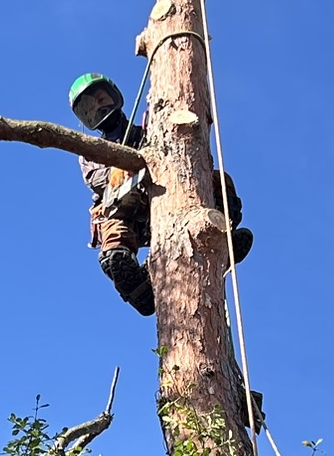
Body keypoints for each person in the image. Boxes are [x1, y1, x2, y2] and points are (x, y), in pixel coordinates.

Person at [68, 72, 251, 317]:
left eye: (101, 99)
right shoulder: (91, 152)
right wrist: (118, 168)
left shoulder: (146, 132)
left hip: (160, 198)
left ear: (114, 97)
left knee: (220, 180)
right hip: (125, 209)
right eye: (90, 108)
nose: (98, 108)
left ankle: (220, 237)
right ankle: (136, 285)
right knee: (113, 227)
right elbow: (95, 179)